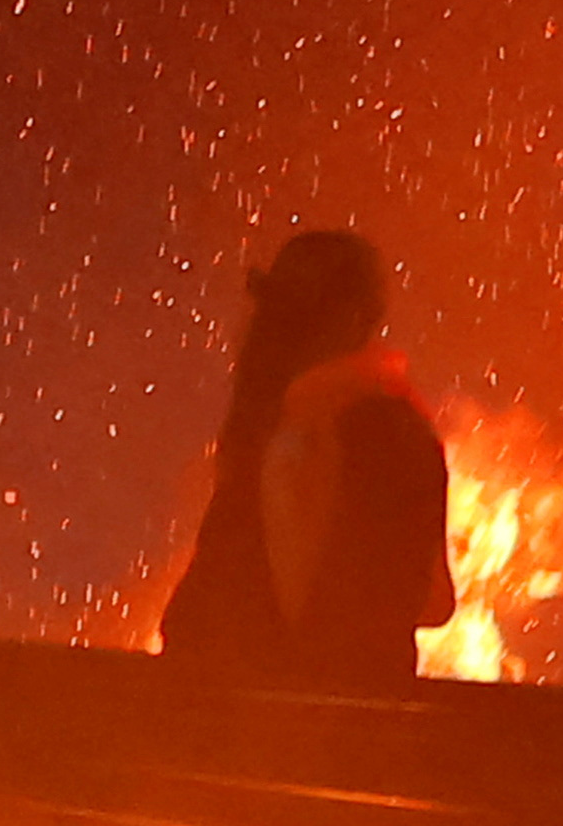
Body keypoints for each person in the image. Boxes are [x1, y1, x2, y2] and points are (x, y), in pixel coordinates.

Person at [157, 224, 455, 687]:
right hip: (341, 730)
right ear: (357, 319)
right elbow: (429, 602)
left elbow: (196, 616)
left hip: (229, 724)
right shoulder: (394, 433)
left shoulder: (261, 431)